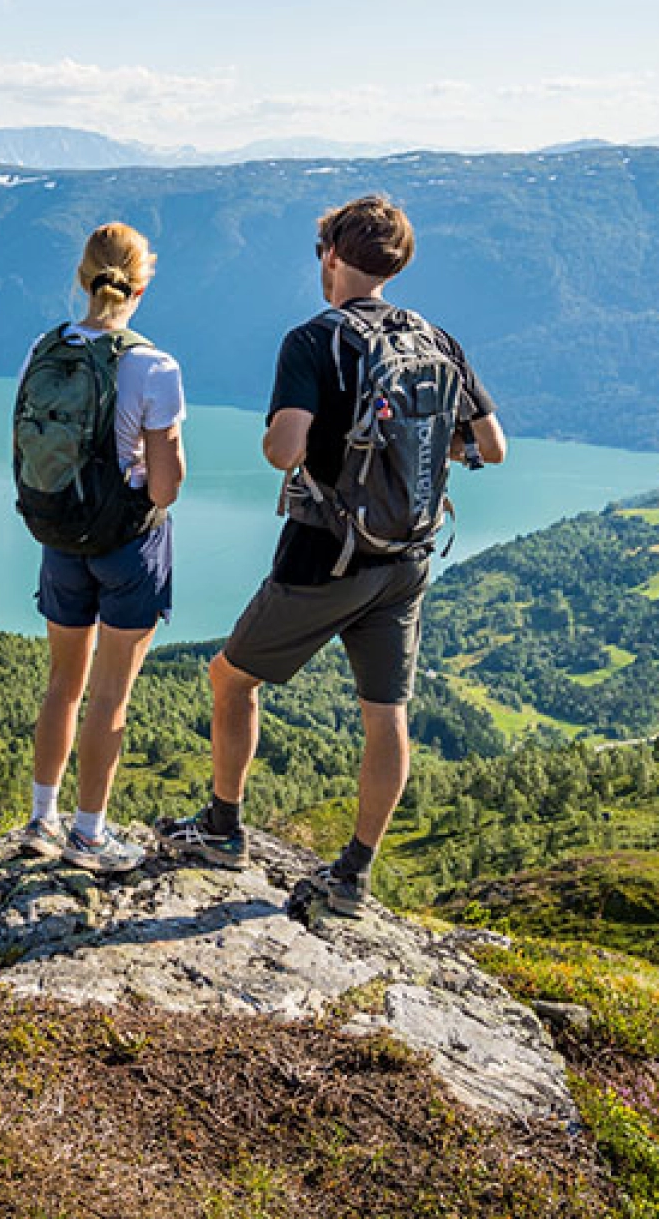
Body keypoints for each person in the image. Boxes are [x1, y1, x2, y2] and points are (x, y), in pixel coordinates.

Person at [158, 196, 505, 914]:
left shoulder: (315, 340)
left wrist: (286, 441)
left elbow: (284, 448)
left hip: (326, 556)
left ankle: (224, 829)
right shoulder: (436, 338)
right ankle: (353, 873)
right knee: (387, 715)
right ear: (397, 263)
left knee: (232, 678)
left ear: (332, 257)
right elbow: (492, 448)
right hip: (407, 558)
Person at [11, 222, 186, 874]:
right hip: (126, 548)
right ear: (142, 284)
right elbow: (165, 486)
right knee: (111, 693)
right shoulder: (152, 364)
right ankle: (88, 835)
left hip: (58, 536)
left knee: (62, 684)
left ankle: (40, 819)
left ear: (83, 278)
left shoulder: (45, 347)